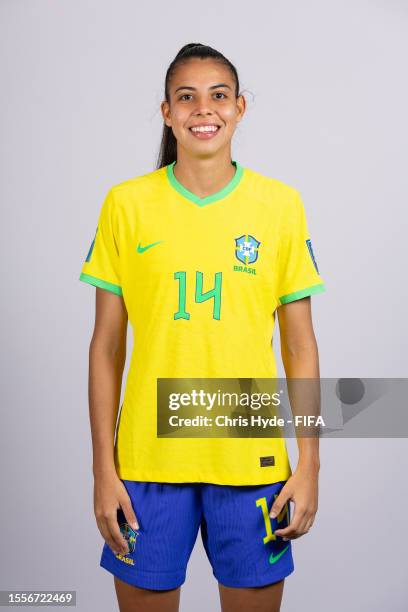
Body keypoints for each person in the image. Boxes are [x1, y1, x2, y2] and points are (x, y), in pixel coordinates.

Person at [79, 42, 326, 612]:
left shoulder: (280, 206)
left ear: (240, 107)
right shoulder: (126, 204)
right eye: (185, 98)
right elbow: (105, 347)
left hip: (251, 459)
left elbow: (302, 349)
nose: (203, 110)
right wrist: (102, 470)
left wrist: (310, 463)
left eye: (218, 96)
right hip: (145, 465)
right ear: (166, 111)